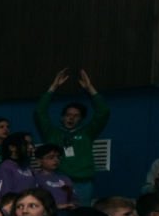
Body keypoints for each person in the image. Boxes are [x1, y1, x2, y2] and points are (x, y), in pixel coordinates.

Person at [33, 70, 108, 205]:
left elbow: (103, 112)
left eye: (76, 116)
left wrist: (90, 88)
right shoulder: (51, 133)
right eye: (68, 115)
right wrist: (53, 87)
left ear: (81, 119)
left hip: (83, 183)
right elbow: (40, 112)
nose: (71, 118)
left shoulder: (87, 132)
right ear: (62, 117)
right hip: (57, 180)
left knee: (82, 214)